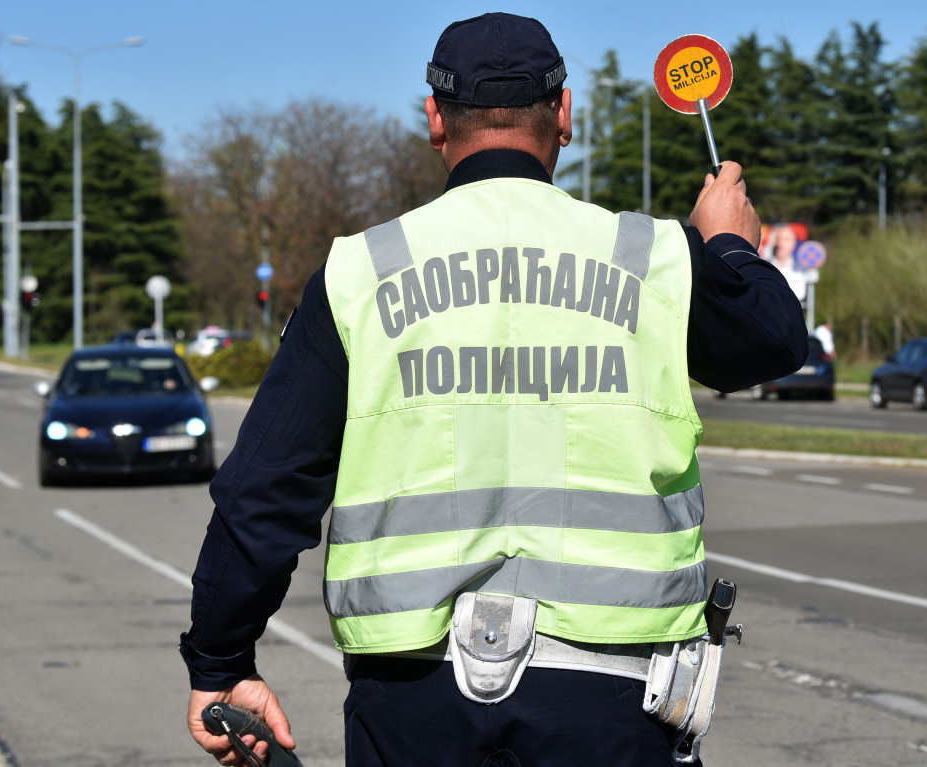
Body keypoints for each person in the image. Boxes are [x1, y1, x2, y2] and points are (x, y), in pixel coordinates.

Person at [181, 12, 807, 766]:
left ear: (435, 119)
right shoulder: (655, 259)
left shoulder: (359, 273)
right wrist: (729, 244)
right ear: (564, 115)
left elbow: (264, 489)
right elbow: (772, 342)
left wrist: (220, 661)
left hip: (411, 700)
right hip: (611, 697)